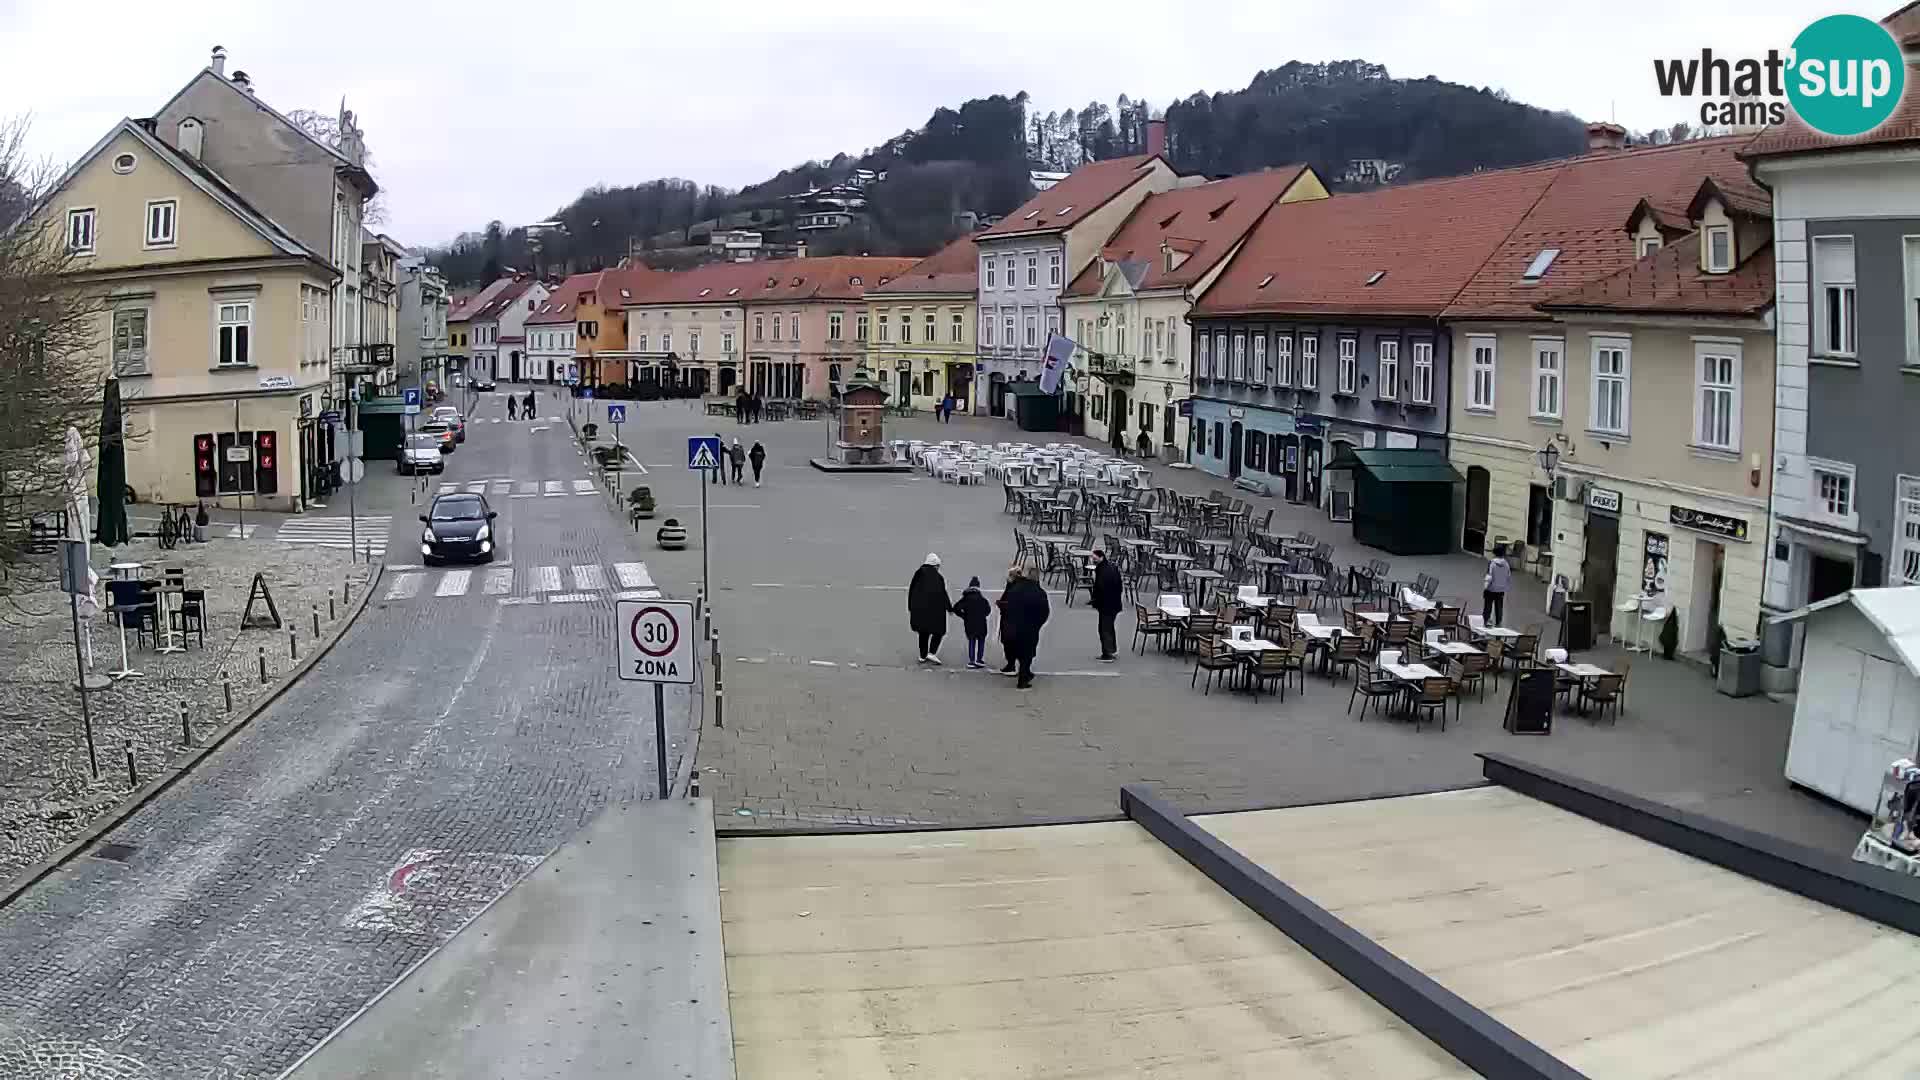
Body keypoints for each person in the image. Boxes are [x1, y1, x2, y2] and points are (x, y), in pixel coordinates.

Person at [1001, 565, 1051, 690]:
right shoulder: (1039, 593)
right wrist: (1037, 625)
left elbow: (1007, 605)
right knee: (1027, 655)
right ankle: (1023, 678)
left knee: (1015, 649)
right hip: (1030, 628)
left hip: (1014, 626)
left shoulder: (1016, 589)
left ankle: (1019, 671)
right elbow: (1045, 612)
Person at [908, 553, 952, 664]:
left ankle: (922, 656)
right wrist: (949, 608)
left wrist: (911, 607)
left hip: (919, 610)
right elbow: (943, 594)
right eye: (938, 566)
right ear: (934, 565)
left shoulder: (918, 573)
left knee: (923, 633)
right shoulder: (939, 577)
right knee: (939, 631)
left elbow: (912, 591)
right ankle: (931, 653)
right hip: (936, 611)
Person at [1089, 549, 1124, 663]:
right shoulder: (1112, 568)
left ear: (1101, 557)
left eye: (1095, 559)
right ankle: (1112, 650)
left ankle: (1107, 653)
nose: (1093, 561)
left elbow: (1100, 588)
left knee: (1104, 628)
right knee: (1109, 627)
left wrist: (1095, 600)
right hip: (1114, 604)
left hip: (1106, 605)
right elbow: (1119, 586)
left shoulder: (1102, 571)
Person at [952, 576, 992, 669]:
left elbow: (956, 608)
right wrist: (982, 615)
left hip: (969, 624)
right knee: (981, 641)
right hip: (981, 623)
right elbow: (988, 610)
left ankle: (971, 661)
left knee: (972, 641)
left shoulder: (965, 598)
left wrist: (964, 616)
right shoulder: (982, 599)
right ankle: (979, 660)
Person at [1483, 542, 1512, 627]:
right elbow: (1508, 576)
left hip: (1491, 588)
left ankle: (1486, 621)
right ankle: (1498, 622)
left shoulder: (1492, 563)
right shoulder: (1506, 564)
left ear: (1494, 554)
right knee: (1499, 607)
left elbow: (1489, 576)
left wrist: (1485, 587)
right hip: (1501, 590)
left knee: (1488, 606)